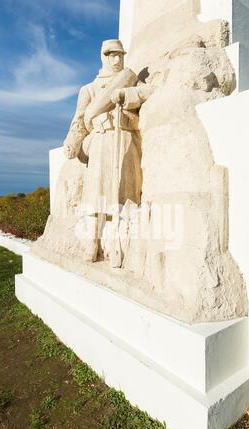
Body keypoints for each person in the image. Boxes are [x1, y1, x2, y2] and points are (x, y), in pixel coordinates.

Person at [64, 39, 148, 263]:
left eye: (120, 55)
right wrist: (72, 140)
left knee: (124, 194)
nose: (117, 59)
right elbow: (79, 121)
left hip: (126, 139)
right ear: (103, 56)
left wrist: (125, 96)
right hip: (102, 140)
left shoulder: (130, 81)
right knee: (97, 192)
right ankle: (92, 240)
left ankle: (116, 242)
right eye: (112, 55)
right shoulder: (88, 89)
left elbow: (146, 93)